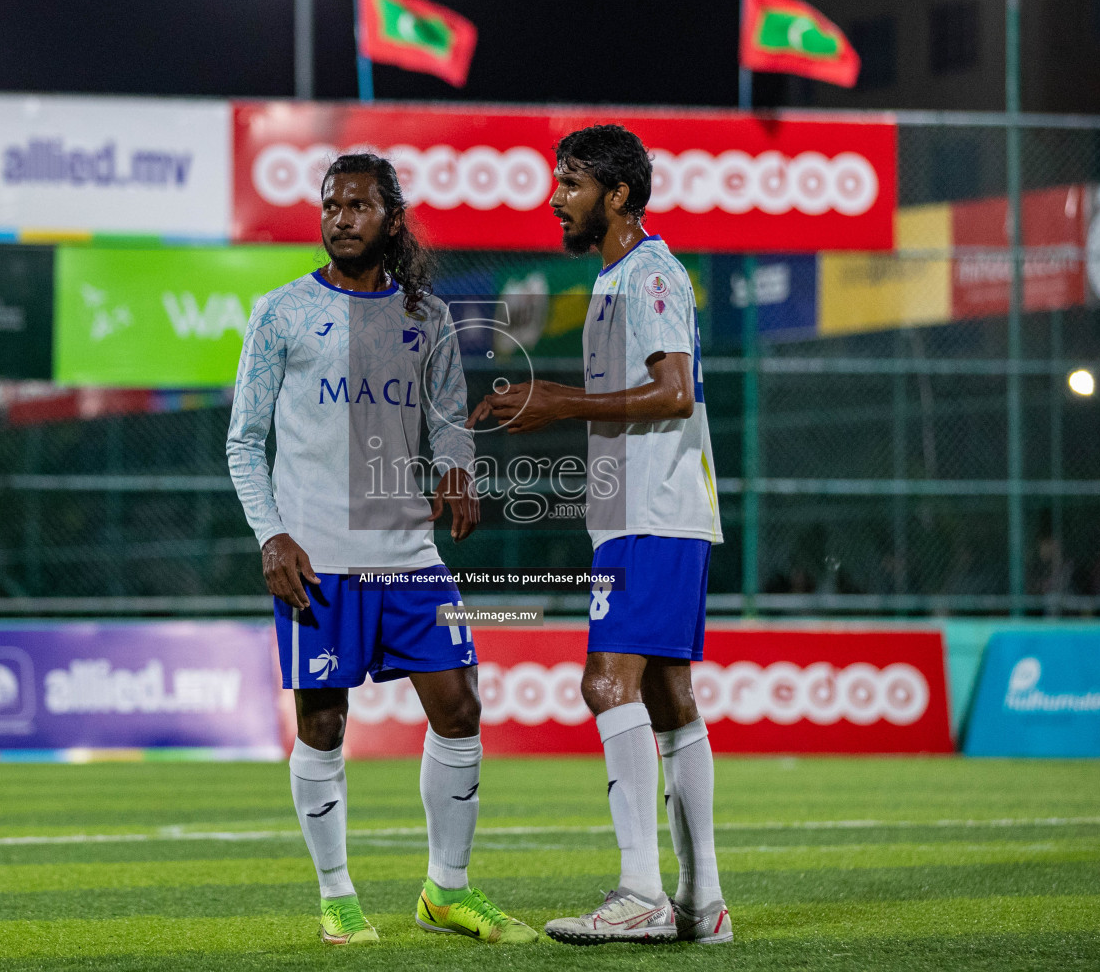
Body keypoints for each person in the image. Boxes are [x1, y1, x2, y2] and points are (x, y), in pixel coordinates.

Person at [226, 153, 535, 946]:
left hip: (408, 554)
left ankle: (447, 890)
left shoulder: (425, 318)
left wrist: (459, 468)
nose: (340, 217)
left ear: (391, 219)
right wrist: (273, 534)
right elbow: (244, 441)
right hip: (317, 558)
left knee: (460, 707)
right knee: (324, 727)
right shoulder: (281, 312)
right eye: (331, 204)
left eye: (358, 205)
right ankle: (337, 896)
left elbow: (449, 417)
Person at [469, 125, 729, 945]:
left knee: (606, 685)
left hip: (654, 514)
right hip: (645, 515)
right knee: (666, 697)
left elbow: (675, 391)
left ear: (617, 197)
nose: (557, 197)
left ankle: (642, 893)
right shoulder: (621, 279)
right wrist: (551, 401)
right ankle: (701, 903)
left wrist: (560, 401)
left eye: (572, 183)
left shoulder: (649, 272)